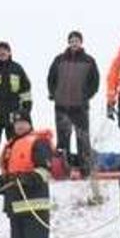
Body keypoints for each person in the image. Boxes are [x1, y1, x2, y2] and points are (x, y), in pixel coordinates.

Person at [0, 109, 53, 238]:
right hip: (14, 205)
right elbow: (8, 173)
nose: (19, 126)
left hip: (34, 203)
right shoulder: (10, 146)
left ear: (29, 123)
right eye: (16, 123)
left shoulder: (39, 142)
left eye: (22, 122)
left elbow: (44, 170)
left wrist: (28, 178)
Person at [46, 30, 100, 176]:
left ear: (81, 42)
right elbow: (51, 78)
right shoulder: (59, 60)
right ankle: (64, 169)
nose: (74, 43)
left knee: (82, 138)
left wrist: (86, 96)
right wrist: (53, 93)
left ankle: (85, 169)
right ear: (68, 42)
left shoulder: (89, 60)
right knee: (63, 138)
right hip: (61, 106)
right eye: (71, 40)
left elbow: (95, 82)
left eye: (76, 40)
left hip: (80, 107)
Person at [0, 41, 33, 177]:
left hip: (13, 117)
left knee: (14, 146)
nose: (2, 52)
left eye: (5, 50)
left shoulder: (17, 69)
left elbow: (26, 91)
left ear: (10, 52)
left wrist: (25, 112)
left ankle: (12, 171)